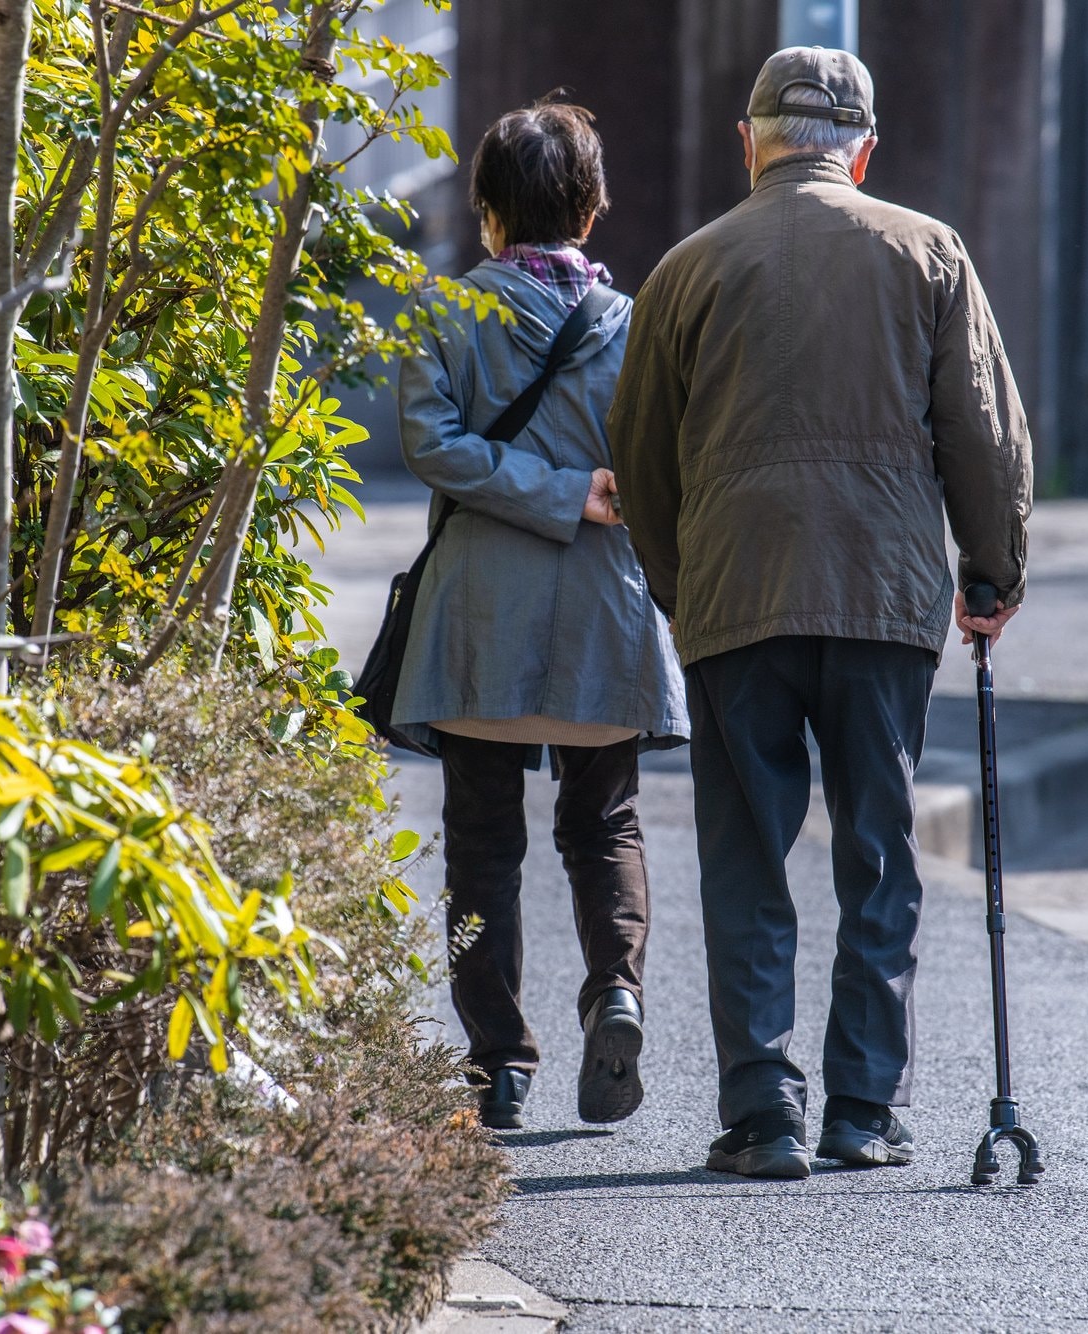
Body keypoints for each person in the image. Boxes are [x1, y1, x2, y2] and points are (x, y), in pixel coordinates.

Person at [608, 47, 1032, 1179]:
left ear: (748, 143)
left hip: (736, 590)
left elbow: (640, 457)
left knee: (746, 848)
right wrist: (990, 570)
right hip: (884, 592)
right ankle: (859, 1105)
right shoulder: (927, 251)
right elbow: (983, 433)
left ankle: (759, 1111)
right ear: (863, 149)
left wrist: (676, 577)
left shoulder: (685, 269)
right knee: (878, 850)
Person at [395, 99, 689, 1132]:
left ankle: (497, 1064)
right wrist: (583, 493)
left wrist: (534, 487)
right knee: (602, 821)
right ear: (591, 204)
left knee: (479, 844)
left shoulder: (445, 312)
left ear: (485, 207)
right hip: (605, 606)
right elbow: (669, 460)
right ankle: (616, 987)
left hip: (480, 614)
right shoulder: (638, 321)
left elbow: (431, 446)